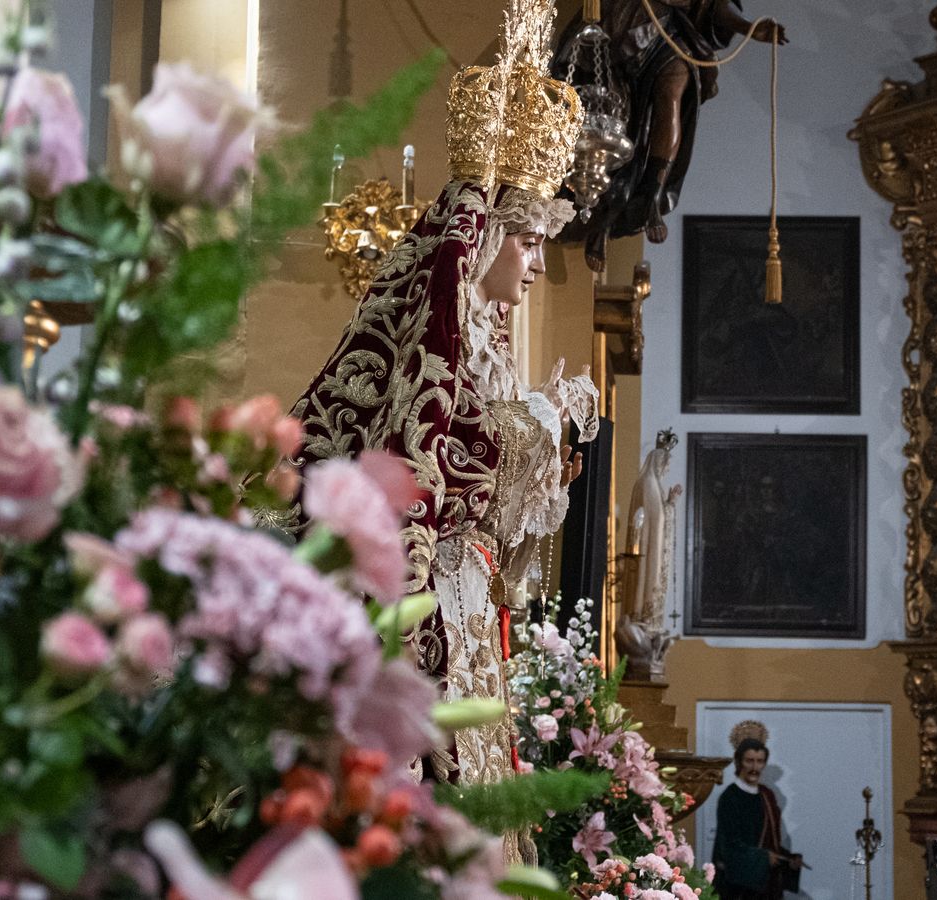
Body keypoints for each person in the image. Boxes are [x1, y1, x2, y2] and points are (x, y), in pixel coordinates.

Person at [289, 0, 598, 795]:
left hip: (468, 600)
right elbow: (436, 457)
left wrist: (541, 454)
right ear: (487, 237)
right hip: (432, 597)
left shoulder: (487, 338)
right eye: (529, 242)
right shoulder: (438, 330)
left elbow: (487, 492)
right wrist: (543, 420)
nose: (537, 265)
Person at [553, 0, 787, 269]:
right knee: (612, 120)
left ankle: (652, 193)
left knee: (672, 90)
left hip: (669, 32)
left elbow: (713, 4)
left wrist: (748, 28)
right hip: (620, 24)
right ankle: (603, 218)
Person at [713, 722, 802, 900]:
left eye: (760, 761)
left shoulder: (767, 795)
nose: (754, 768)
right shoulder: (730, 797)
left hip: (767, 884)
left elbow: (770, 843)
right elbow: (729, 847)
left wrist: (788, 860)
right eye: (749, 761)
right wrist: (763, 858)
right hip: (739, 887)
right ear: (739, 762)